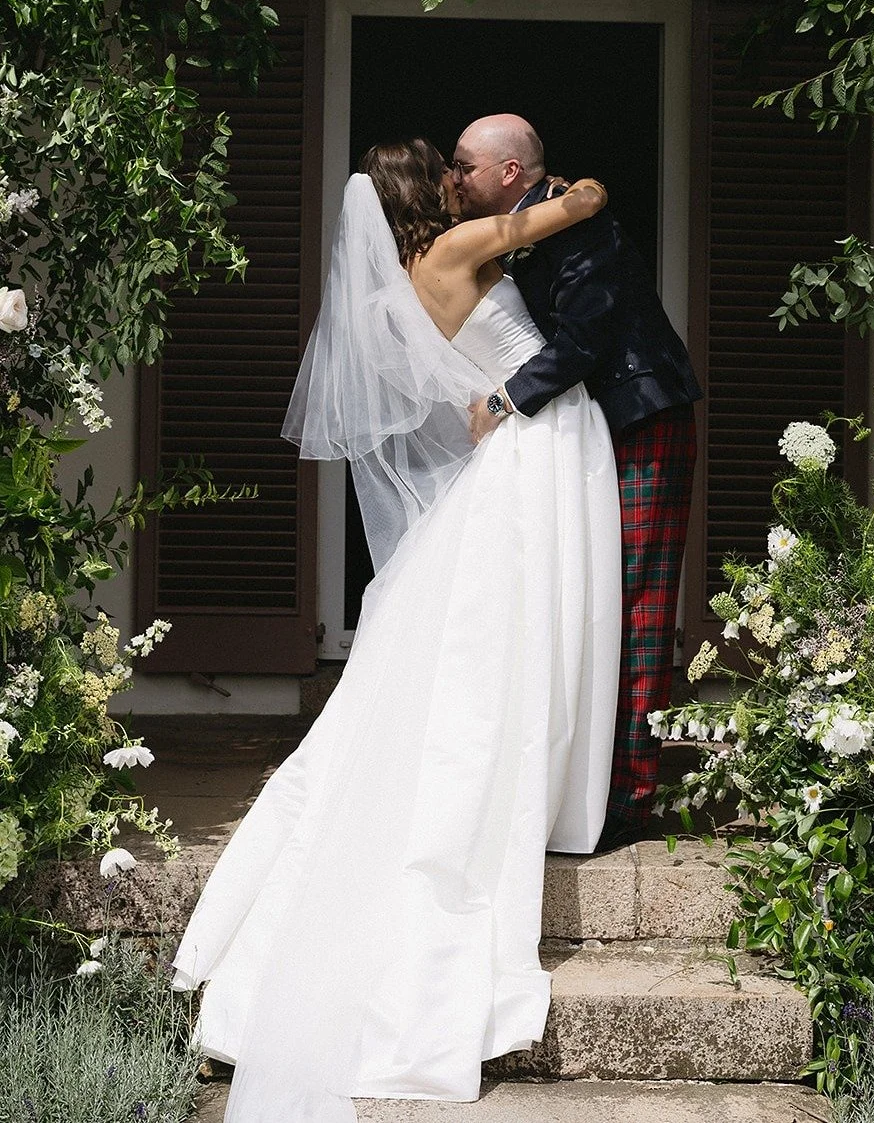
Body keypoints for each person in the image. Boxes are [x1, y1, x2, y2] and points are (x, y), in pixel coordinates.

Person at [170, 139, 622, 1122]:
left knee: (485, 654)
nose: (463, 181)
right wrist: (574, 188)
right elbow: (575, 209)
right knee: (526, 642)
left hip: (509, 461)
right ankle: (543, 801)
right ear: (432, 194)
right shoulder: (462, 245)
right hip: (536, 457)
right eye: (449, 170)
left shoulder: (407, 284)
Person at [451, 115, 702, 853]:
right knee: (589, 601)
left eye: (465, 165)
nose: (455, 177)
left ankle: (630, 794)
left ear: (507, 173)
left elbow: (583, 341)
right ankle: (581, 779)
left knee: (640, 602)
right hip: (587, 436)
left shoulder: (575, 226)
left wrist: (501, 402)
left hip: (641, 416)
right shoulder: (531, 224)